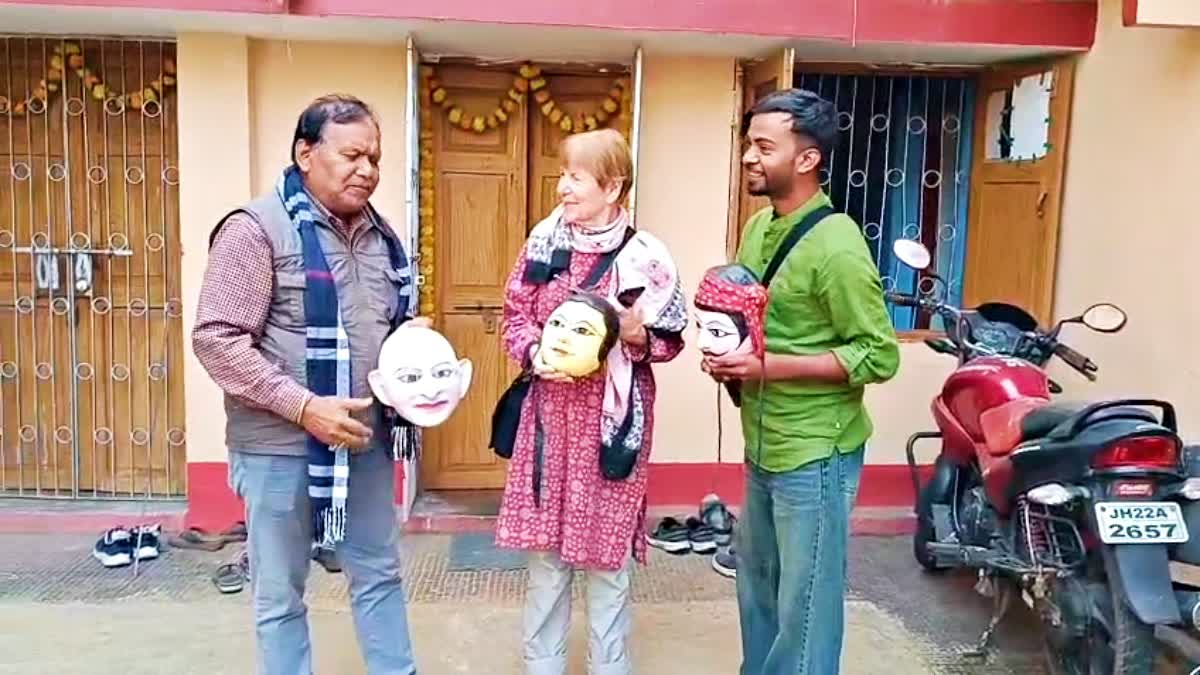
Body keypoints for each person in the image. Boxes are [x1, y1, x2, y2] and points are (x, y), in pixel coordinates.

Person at [193, 94, 423, 675]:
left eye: (374, 157)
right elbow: (217, 339)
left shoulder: (381, 237)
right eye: (351, 155)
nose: (367, 169)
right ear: (305, 153)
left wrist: (412, 347)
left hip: (362, 439)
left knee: (378, 574)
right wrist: (303, 407)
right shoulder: (255, 230)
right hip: (278, 449)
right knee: (280, 594)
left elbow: (381, 326)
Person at [703, 88, 900, 674]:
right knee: (756, 586)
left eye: (765, 146)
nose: (749, 158)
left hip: (817, 453)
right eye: (748, 145)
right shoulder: (759, 228)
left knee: (805, 605)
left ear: (808, 158)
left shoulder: (838, 248)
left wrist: (769, 368)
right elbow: (755, 322)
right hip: (763, 441)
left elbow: (878, 354)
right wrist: (728, 355)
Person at [494, 128, 687, 675]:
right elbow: (515, 315)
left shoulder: (646, 258)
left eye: (575, 177)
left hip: (612, 427)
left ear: (613, 185)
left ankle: (609, 667)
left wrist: (635, 335)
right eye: (563, 174)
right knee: (547, 561)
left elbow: (671, 340)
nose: (562, 188)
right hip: (549, 421)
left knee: (607, 563)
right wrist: (534, 352)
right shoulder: (543, 243)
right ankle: (542, 666)